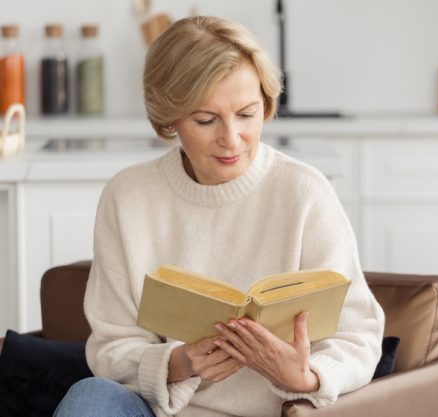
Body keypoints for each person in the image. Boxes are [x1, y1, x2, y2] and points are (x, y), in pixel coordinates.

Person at [53, 15, 384, 417]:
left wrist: (306, 377)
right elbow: (110, 347)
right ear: (169, 118)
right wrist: (181, 363)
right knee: (90, 396)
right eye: (205, 120)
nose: (231, 139)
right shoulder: (128, 196)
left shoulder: (304, 192)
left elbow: (359, 335)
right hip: (159, 411)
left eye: (246, 114)